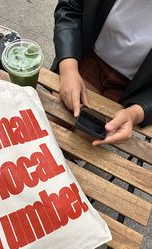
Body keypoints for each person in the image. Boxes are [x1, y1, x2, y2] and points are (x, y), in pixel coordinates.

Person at [53, 0, 152, 145]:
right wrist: (68, 69)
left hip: (133, 87)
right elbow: (70, 6)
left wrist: (136, 113)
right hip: (90, 58)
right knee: (53, 117)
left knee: (82, 140)